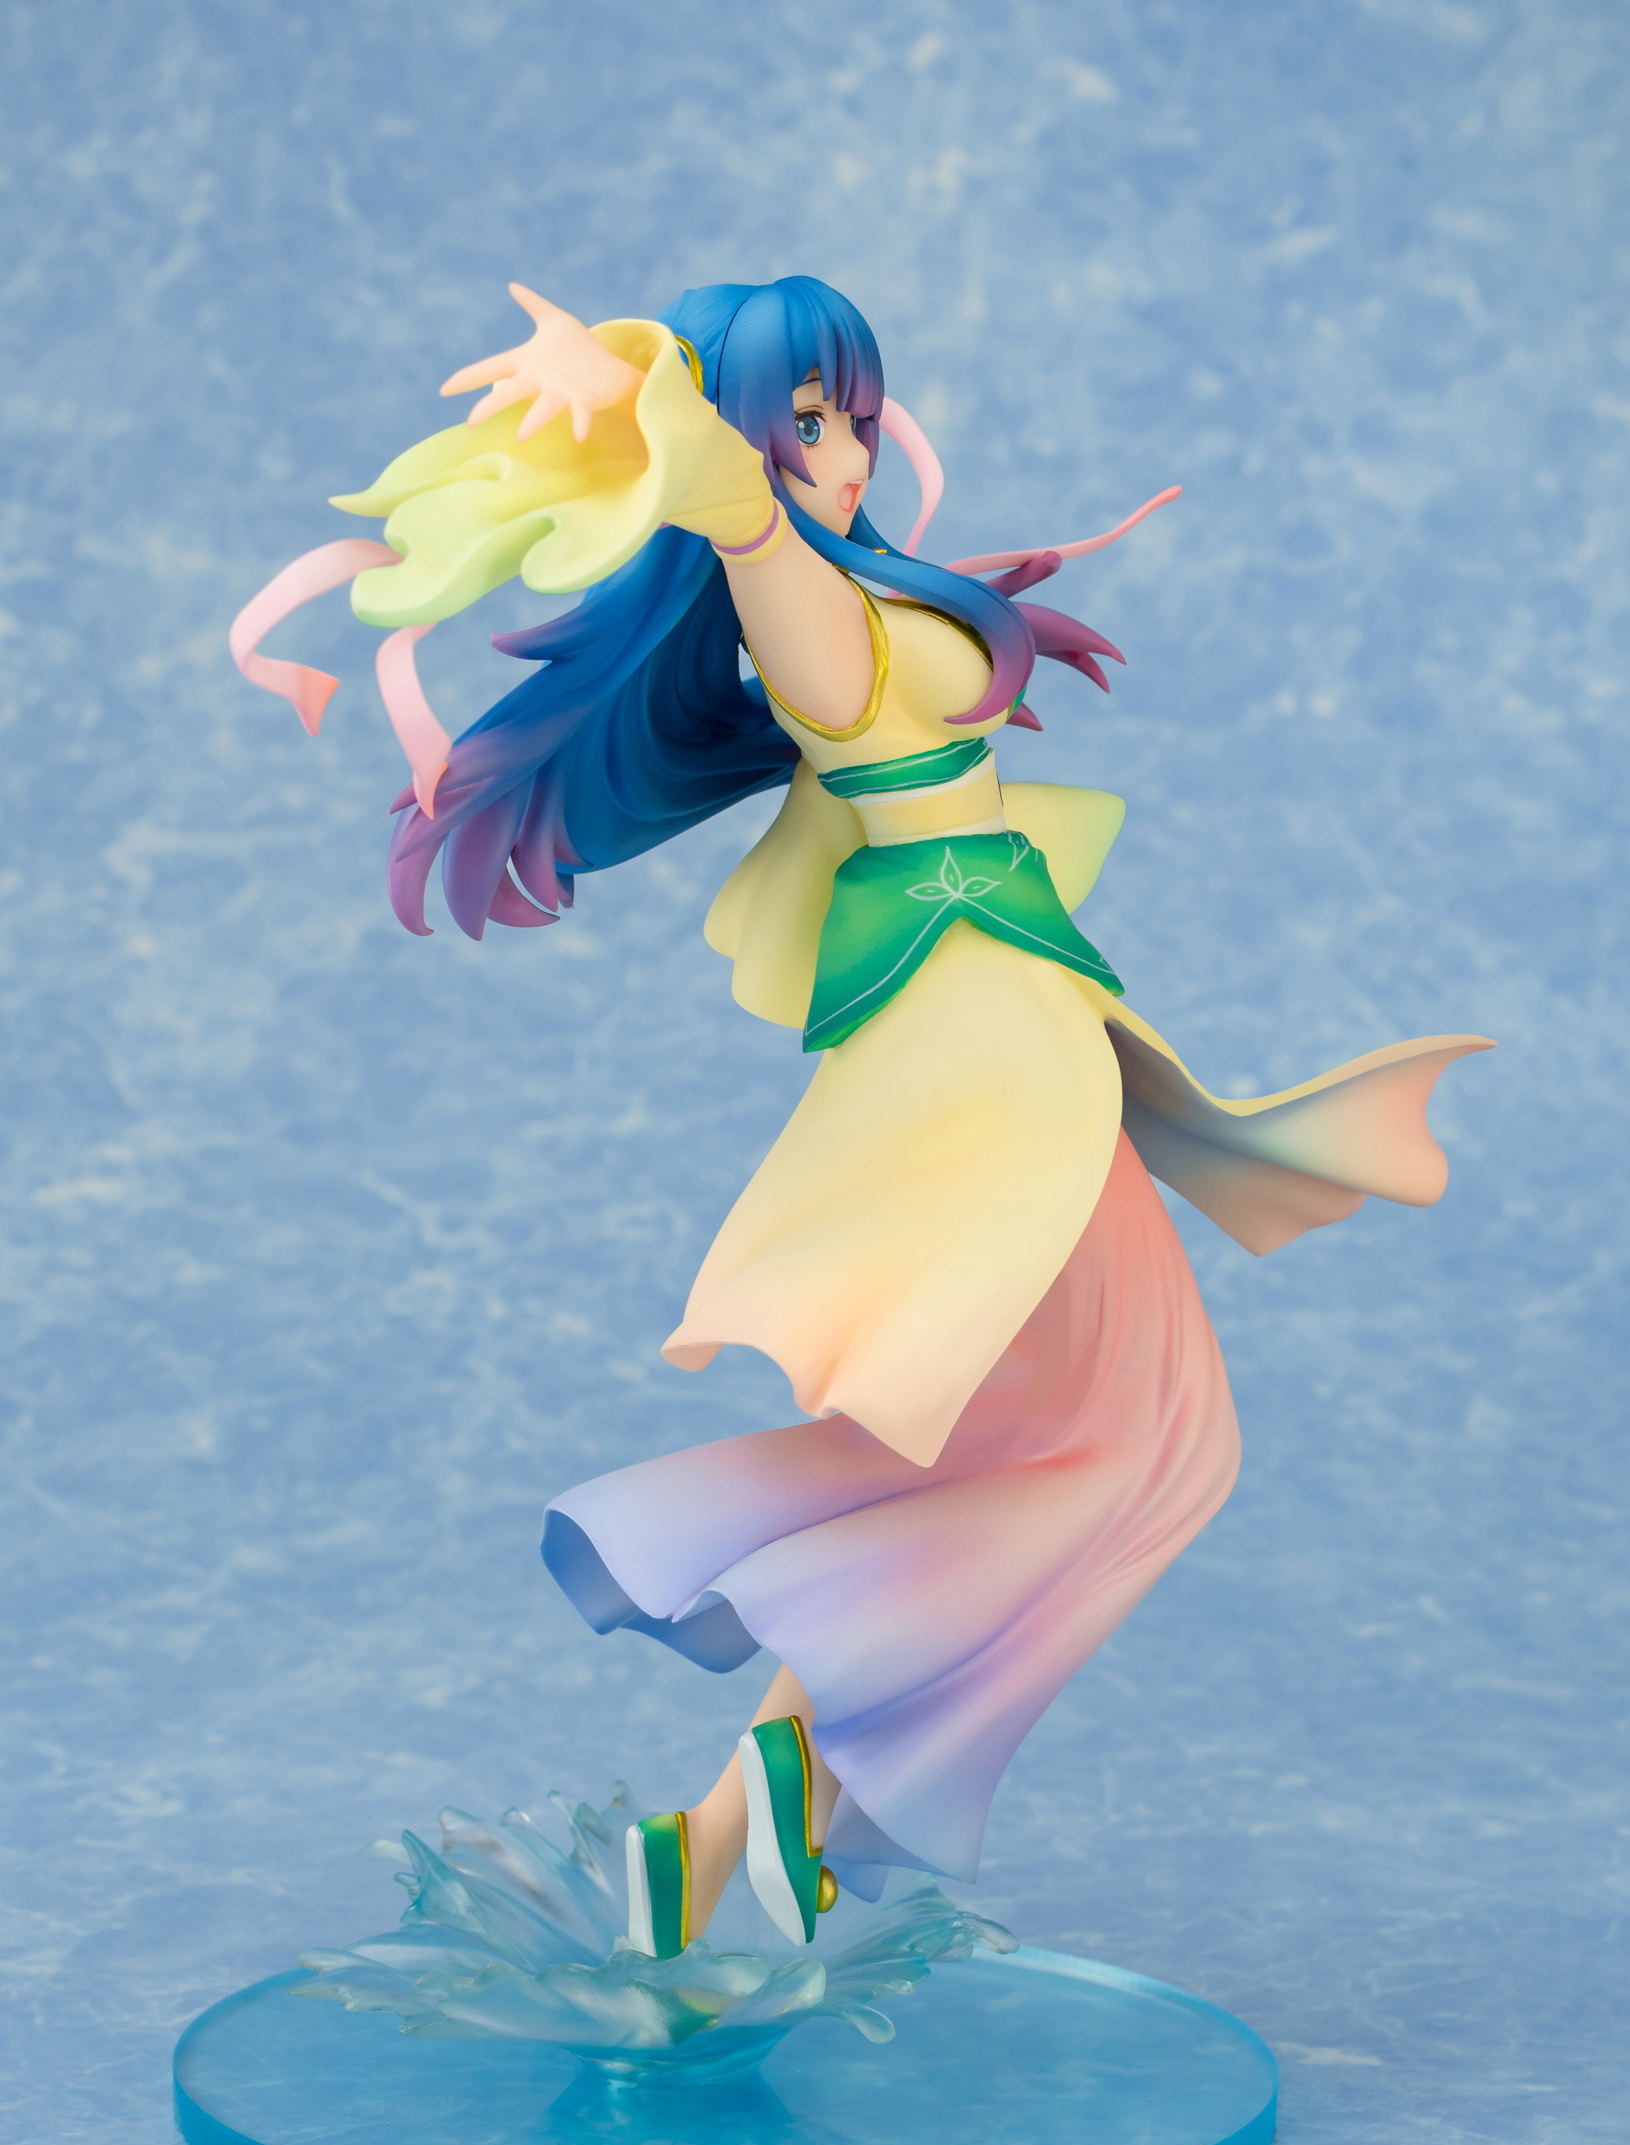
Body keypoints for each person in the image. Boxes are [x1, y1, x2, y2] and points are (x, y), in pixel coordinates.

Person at [234, 275, 1489, 1963]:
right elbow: (753, 537)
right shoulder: (793, 597)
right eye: (803, 422)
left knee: (1080, 1440)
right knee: (1136, 1444)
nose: (837, 454)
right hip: (979, 1043)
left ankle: (720, 1838)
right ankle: (800, 1770)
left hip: (1010, 1012)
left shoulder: (857, 586)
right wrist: (691, 452)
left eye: (851, 418)